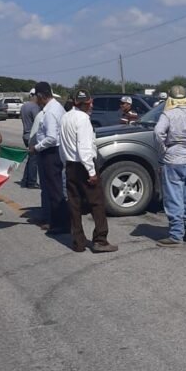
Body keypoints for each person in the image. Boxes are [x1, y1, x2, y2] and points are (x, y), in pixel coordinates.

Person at [59, 89, 118, 254]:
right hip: (83, 165)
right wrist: (91, 171)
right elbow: (84, 147)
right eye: (88, 103)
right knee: (97, 203)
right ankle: (100, 240)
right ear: (84, 103)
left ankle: (78, 241)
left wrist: (65, 163)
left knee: (74, 204)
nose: (91, 105)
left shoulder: (66, 117)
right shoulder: (83, 119)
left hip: (70, 164)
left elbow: (62, 144)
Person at [154, 85, 186, 246]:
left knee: (174, 199)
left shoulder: (168, 115)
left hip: (172, 162)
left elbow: (158, 132)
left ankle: (176, 235)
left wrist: (163, 151)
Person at [29, 82, 69, 235]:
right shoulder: (56, 107)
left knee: (54, 190)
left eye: (36, 97)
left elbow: (51, 138)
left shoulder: (51, 112)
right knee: (56, 188)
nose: (35, 100)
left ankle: (60, 224)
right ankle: (59, 221)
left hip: (51, 153)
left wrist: (36, 147)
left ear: (41, 96)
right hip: (55, 152)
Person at [20, 88, 39, 187]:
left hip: (25, 134)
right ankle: (32, 181)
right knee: (34, 160)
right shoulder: (34, 107)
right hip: (32, 136)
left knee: (31, 159)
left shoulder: (24, 106)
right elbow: (38, 121)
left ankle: (25, 180)